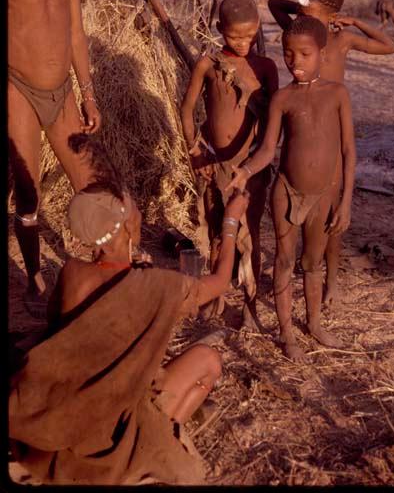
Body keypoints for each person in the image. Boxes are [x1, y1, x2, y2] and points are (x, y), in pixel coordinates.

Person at [9, 135, 250, 485]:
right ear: (124, 228)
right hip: (113, 425)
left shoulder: (72, 274)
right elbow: (221, 280)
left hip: (67, 412)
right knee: (209, 362)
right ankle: (150, 450)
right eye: (131, 208)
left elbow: (64, 335)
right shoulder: (156, 286)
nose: (137, 210)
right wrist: (231, 222)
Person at [227, 16, 356, 359]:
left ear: (322, 53)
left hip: (325, 194)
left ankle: (313, 324)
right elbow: (269, 149)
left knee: (311, 263)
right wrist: (245, 170)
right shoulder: (282, 99)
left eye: (304, 54)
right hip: (287, 190)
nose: (294, 62)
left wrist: (345, 202)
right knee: (284, 261)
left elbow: (348, 152)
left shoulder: (337, 94)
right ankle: (287, 333)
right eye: (288, 53)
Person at [8, 0, 101, 314]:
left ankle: (107, 265)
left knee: (91, 182)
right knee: (28, 193)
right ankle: (33, 276)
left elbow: (76, 34)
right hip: (17, 89)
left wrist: (88, 92)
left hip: (61, 90)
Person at [268, 0, 394, 307]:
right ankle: (304, 271)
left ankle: (331, 281)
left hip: (332, 128)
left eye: (312, 10)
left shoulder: (342, 40)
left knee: (332, 215)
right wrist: (302, 6)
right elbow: (272, 4)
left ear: (334, 14)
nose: (303, 14)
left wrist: (355, 21)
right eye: (301, 10)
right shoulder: (302, 32)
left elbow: (388, 46)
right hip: (305, 123)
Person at [181, 0, 278, 329]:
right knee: (214, 230)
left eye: (250, 36)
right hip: (212, 163)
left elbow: (273, 120)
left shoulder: (264, 67)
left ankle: (251, 304)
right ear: (220, 28)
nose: (243, 43)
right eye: (235, 35)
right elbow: (187, 109)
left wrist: (256, 161)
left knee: (250, 231)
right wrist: (196, 151)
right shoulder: (208, 64)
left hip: (250, 166)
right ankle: (213, 298)